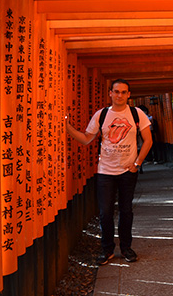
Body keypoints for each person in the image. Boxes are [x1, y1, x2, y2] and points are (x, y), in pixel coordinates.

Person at [65, 79, 153, 265]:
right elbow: (87, 138)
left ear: (129, 95)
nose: (120, 95)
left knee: (126, 210)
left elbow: (148, 140)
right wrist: (67, 127)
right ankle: (107, 249)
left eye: (123, 92)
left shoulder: (136, 114)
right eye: (116, 91)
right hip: (105, 171)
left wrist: (137, 164)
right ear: (110, 93)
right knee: (105, 212)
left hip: (128, 170)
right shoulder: (102, 115)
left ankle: (126, 248)